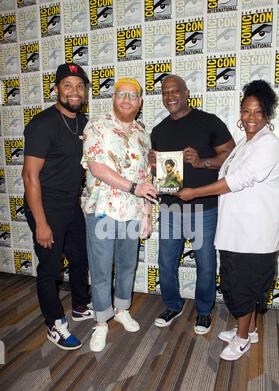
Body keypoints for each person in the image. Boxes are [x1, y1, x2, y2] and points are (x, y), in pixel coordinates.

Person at [177, 79, 279, 361]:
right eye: (246, 111)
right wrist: (201, 163)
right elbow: (224, 167)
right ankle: (250, 330)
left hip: (253, 234)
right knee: (245, 285)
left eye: (258, 112)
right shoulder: (245, 143)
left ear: (267, 115)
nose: (250, 117)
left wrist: (193, 193)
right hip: (238, 232)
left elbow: (235, 181)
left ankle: (243, 337)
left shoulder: (269, 145)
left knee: (244, 288)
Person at [149, 74, 235, 335]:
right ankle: (173, 306)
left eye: (175, 91)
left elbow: (232, 157)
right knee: (166, 262)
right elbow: (159, 174)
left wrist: (202, 162)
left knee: (206, 264)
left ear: (187, 93)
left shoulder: (208, 122)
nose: (170, 96)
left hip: (203, 209)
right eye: (165, 92)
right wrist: (152, 166)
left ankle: (204, 311)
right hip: (170, 208)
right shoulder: (158, 130)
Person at [82, 77, 158, 353]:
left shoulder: (142, 132)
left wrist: (147, 213)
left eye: (132, 95)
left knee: (127, 265)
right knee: (101, 270)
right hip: (102, 210)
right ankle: (101, 322)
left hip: (133, 212)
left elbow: (146, 176)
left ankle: (122, 309)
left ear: (139, 103)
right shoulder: (97, 125)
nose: (126, 99)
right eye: (121, 94)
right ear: (113, 98)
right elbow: (96, 167)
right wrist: (134, 188)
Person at [22, 63, 93, 351]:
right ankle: (54, 324)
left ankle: (79, 305)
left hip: (71, 205)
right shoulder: (42, 124)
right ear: (56, 90)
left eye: (79, 86)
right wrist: (40, 221)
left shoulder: (84, 122)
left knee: (79, 258)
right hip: (46, 207)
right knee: (50, 269)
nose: (74, 92)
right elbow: (30, 176)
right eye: (68, 85)